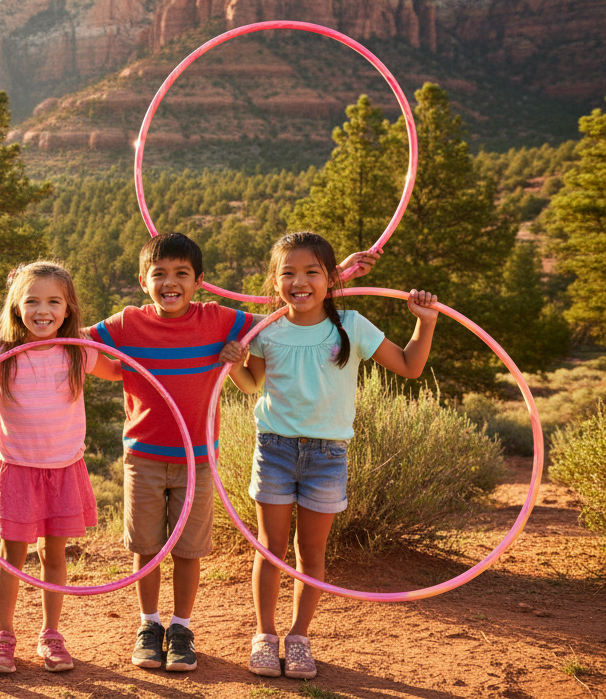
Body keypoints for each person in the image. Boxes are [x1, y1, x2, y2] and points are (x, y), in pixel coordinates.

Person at [88, 232, 378, 672]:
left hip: (199, 459)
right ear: (142, 280)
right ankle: (149, 625)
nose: (171, 282)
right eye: (160, 274)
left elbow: (293, 309)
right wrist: (13, 335)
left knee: (188, 549)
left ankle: (181, 627)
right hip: (143, 455)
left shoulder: (219, 319)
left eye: (182, 274)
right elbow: (73, 341)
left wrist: (345, 274)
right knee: (146, 547)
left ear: (200, 280)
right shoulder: (127, 322)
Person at [228, 231, 438, 680]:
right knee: (272, 548)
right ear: (274, 280)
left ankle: (299, 637)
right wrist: (233, 365)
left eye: (311, 272)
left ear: (330, 280)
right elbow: (252, 386)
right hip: (276, 449)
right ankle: (265, 637)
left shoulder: (353, 325)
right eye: (288, 273)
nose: (298, 281)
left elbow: (410, 366)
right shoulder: (267, 331)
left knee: (312, 553)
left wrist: (426, 321)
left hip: (327, 455)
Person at [0, 261, 121, 674]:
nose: (44, 310)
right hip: (18, 467)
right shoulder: (3, 352)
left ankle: (50, 634)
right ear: (17, 307)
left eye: (54, 301)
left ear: (69, 306)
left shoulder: (79, 350)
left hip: (63, 468)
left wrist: (154, 358)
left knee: (54, 555)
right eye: (32, 300)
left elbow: (123, 371)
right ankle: (3, 635)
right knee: (12, 557)